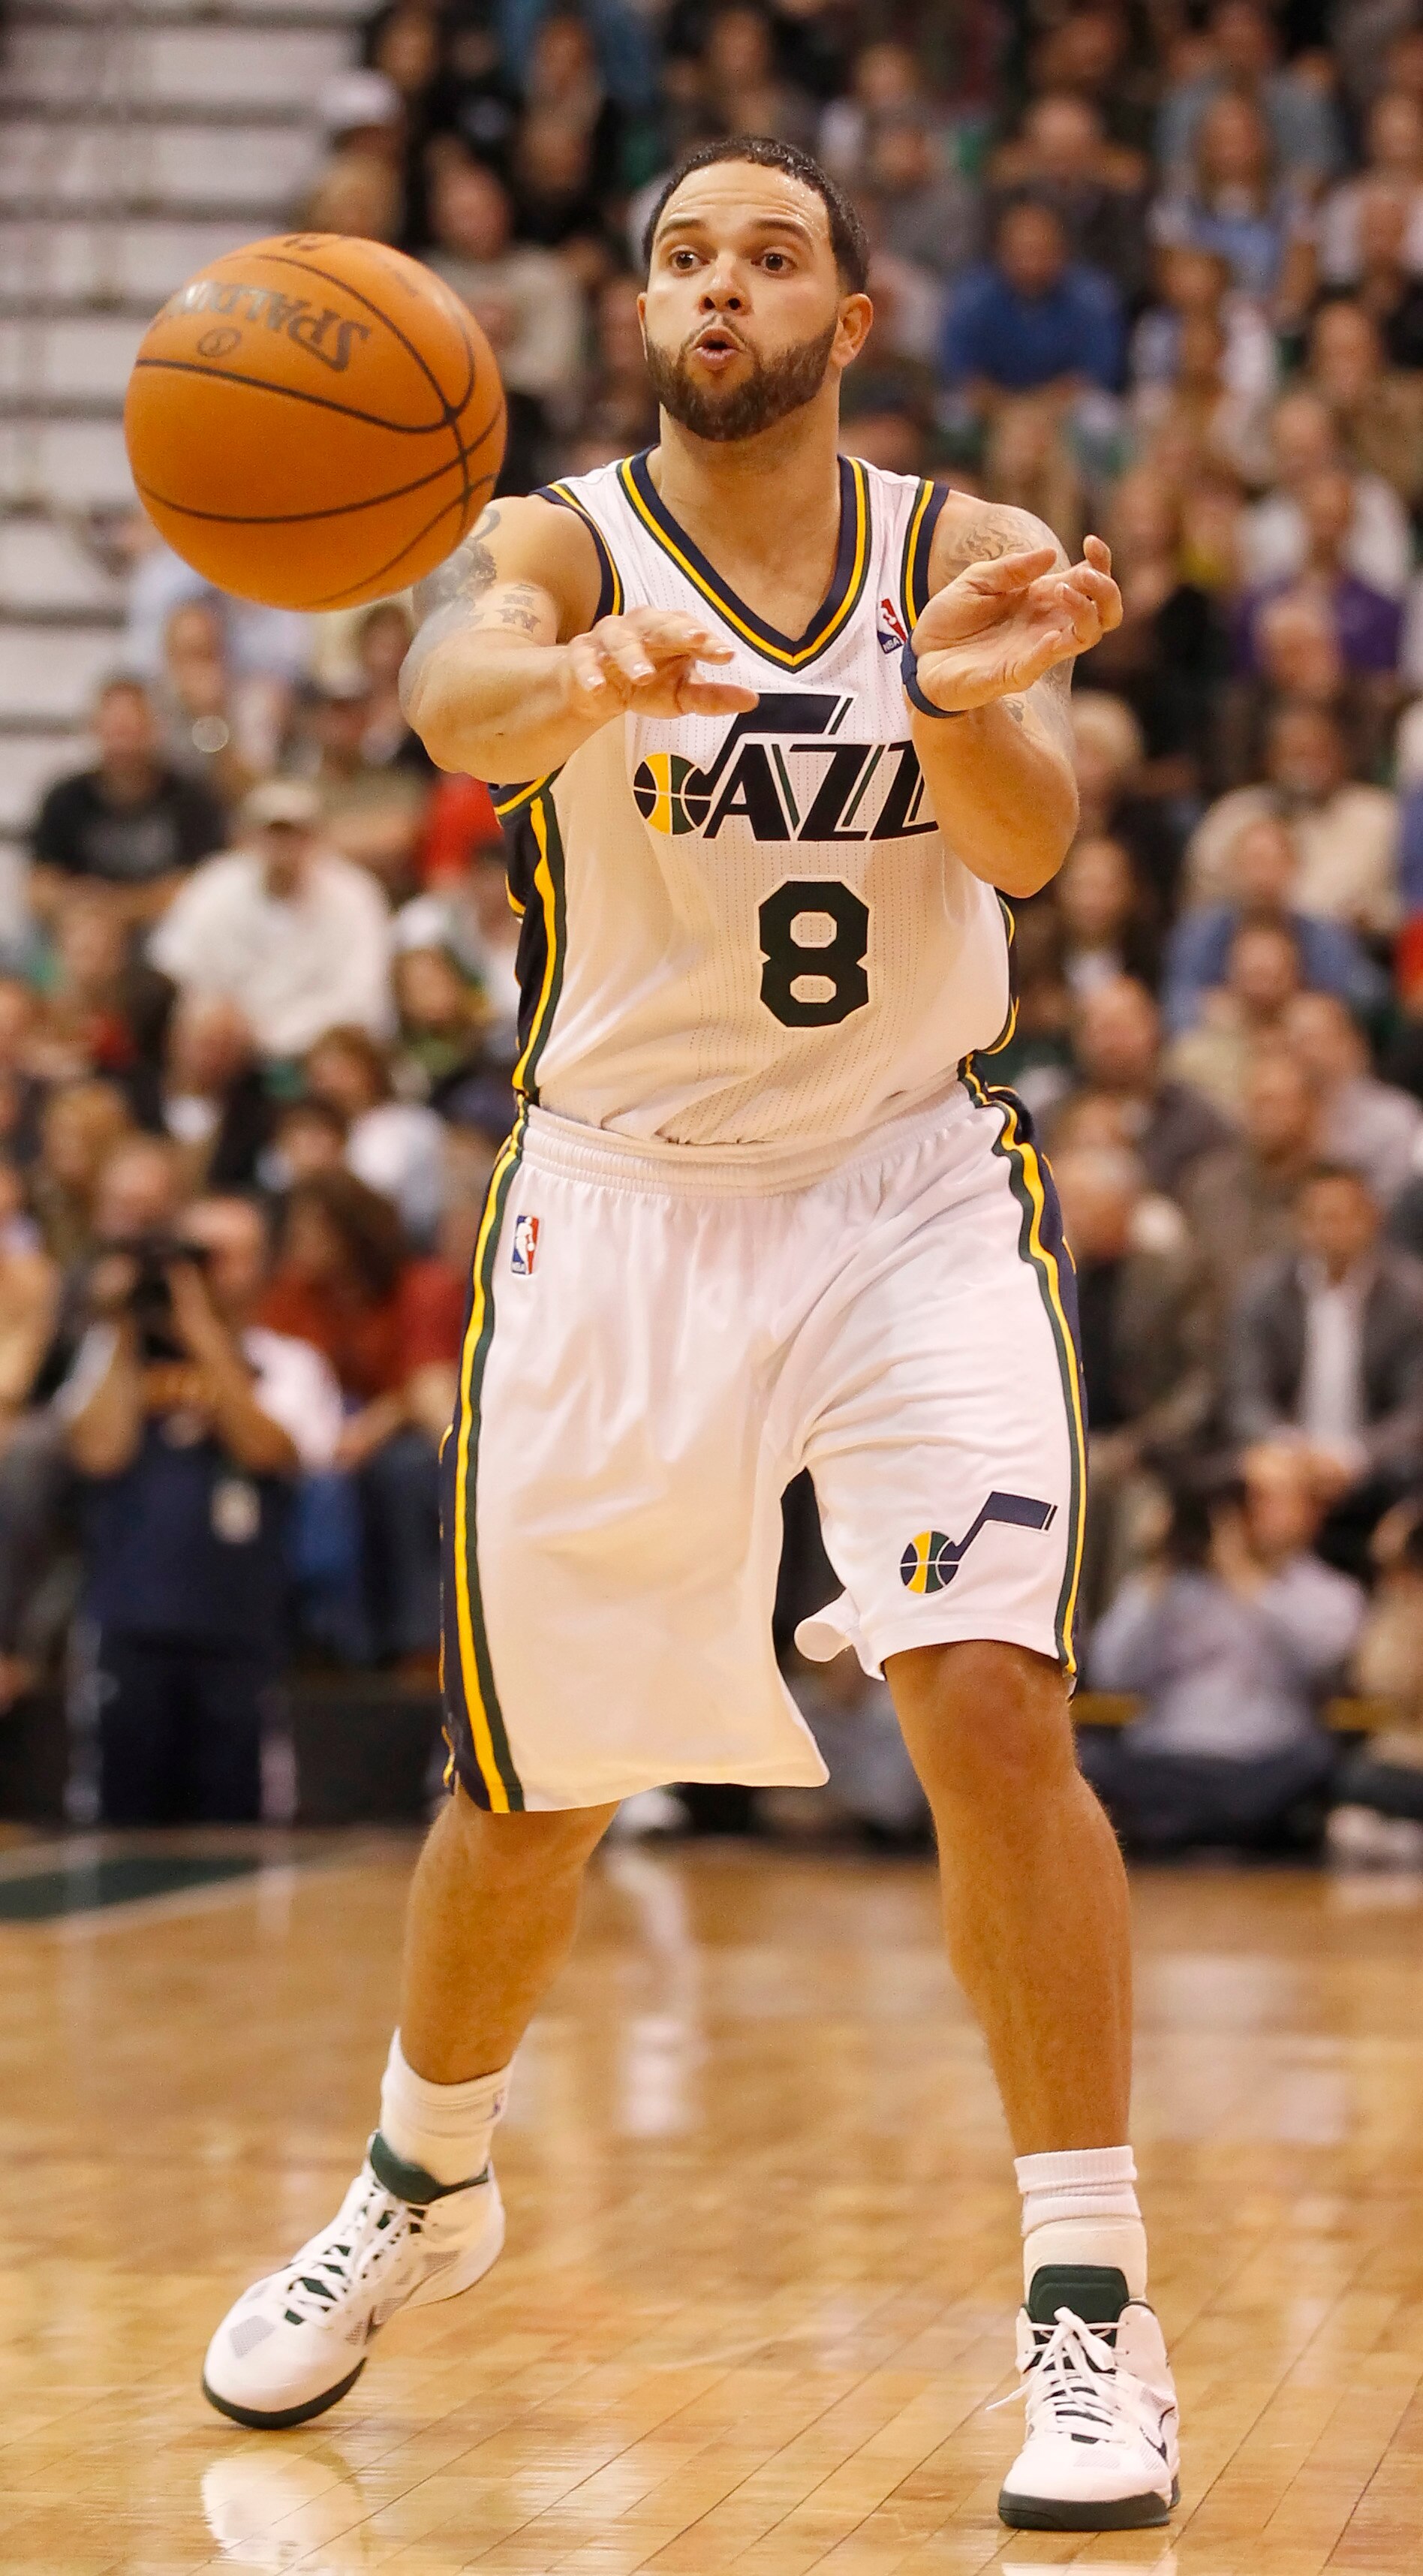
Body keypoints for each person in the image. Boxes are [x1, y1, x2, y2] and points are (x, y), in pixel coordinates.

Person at [200, 137, 1180, 2534]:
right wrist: (563, 677)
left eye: (769, 252)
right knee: (531, 1795)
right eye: (679, 253)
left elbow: (1030, 847)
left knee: (985, 1692)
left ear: (845, 318)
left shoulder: (947, 546)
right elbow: (451, 695)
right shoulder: (558, 538)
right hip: (620, 1210)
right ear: (643, 310)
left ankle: (1085, 2309)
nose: (718, 281)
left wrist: (958, 706)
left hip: (902, 1196)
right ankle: (424, 2186)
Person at [60, 1193, 343, 1824]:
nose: (204, 1274)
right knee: (118, 1823)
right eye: (192, 1256)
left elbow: (270, 1450)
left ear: (259, 1267)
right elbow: (98, 1452)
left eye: (221, 1258)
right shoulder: (114, 1355)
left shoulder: (289, 1363)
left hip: (240, 1631)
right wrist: (129, 1324)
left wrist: (204, 1338)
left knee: (236, 1825)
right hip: (129, 1626)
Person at [1083, 1453, 1360, 1855]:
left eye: (1271, 1497)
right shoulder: (1172, 1587)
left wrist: (1244, 1575)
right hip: (1168, 1759)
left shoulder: (1329, 1593)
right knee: (1086, 1759)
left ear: (1311, 1511)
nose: (1249, 1510)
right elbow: (1112, 1673)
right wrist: (1155, 1568)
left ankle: (1187, 1831)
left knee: (1321, 1763)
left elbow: (1322, 1660)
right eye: (1247, 1496)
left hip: (1266, 1764)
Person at [1225, 1164, 1423, 1562]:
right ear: (1299, 1223)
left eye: (1344, 1216)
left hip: (1378, 1465)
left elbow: (1415, 1409)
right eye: (1318, 1217)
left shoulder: (1410, 1299)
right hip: (1287, 1461)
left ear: (1372, 1219)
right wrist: (1286, 1448)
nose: (1332, 1228)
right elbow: (1245, 1396)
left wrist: (1353, 1457)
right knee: (1236, 1480)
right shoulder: (1263, 1292)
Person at [149, 781, 393, 1064]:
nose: (283, 847)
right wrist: (217, 1013)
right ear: (249, 837)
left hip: (315, 1048)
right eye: (272, 834)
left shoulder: (355, 894)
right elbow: (176, 964)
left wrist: (272, 1036)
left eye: (294, 835)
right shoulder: (215, 884)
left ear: (315, 838)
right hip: (229, 1043)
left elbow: (360, 998)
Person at [1184, 701, 1400, 937]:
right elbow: (1199, 900)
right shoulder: (1235, 814)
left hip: (1354, 947)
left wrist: (1376, 917)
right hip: (1244, 947)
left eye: (1320, 753)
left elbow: (1405, 901)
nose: (1308, 766)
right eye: (1296, 754)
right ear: (1269, 759)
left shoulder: (1379, 815)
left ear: (1342, 755)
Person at [29, 677, 226, 931]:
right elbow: (39, 887)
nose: (124, 744)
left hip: (164, 933)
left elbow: (201, 888)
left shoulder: (191, 800)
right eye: (115, 730)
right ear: (95, 730)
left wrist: (119, 906)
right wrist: (78, 902)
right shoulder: (65, 798)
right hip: (86, 931)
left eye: (132, 730)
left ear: (155, 730)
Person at [1161, 816, 1385, 1035]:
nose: (1262, 877)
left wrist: (1321, 1009)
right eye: (1253, 863)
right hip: (1226, 1042)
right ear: (1233, 870)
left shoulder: (1325, 936)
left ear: (1294, 868)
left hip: (1303, 1042)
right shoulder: (1199, 934)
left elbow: (1368, 997)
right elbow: (1175, 1008)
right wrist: (1208, 1010)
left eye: (1273, 863)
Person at [940, 197, 1125, 413]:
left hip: (1064, 408)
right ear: (1000, 252)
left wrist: (1037, 409)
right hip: (993, 407)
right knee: (954, 414)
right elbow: (961, 374)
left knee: (1099, 412)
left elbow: (1096, 375)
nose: (1032, 265)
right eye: (1022, 252)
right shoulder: (970, 296)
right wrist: (1009, 409)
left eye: (1042, 251)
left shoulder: (1093, 296)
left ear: (1062, 251)